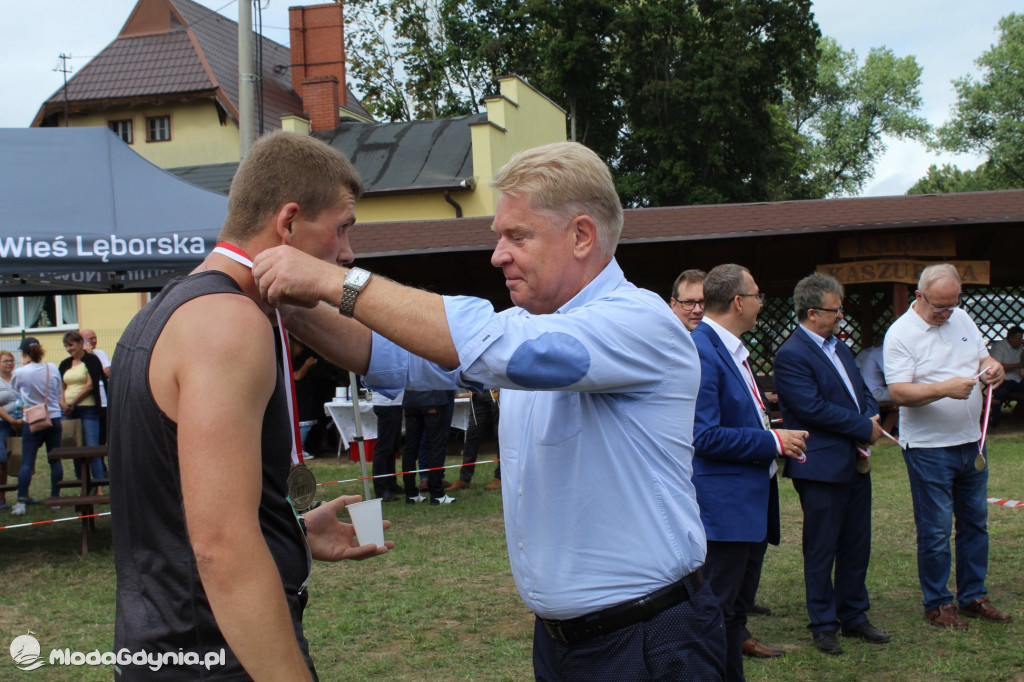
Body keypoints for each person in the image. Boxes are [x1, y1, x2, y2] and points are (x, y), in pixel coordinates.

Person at [253, 141, 726, 680]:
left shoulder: (638, 322)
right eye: (499, 236)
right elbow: (383, 353)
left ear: (581, 235)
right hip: (566, 642)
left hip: (649, 641)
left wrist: (332, 280)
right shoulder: (532, 328)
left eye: (516, 236)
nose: (498, 254)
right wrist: (283, 299)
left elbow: (504, 347)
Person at [107, 131, 393, 681]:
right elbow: (220, 547)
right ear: (287, 224)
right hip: (215, 653)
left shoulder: (166, 311)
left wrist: (288, 528)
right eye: (341, 228)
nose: (348, 252)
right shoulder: (229, 321)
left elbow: (174, 498)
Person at [690, 264, 805, 680]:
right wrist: (772, 442)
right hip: (724, 511)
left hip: (748, 504)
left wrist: (772, 434)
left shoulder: (731, 348)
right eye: (757, 295)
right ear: (739, 302)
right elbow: (704, 437)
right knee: (717, 611)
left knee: (735, 611)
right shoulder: (702, 349)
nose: (761, 303)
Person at [883, 263, 1012, 629]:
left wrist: (992, 366)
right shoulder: (901, 334)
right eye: (940, 306)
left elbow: (982, 355)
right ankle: (938, 604)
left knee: (975, 524)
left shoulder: (962, 318)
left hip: (971, 443)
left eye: (952, 305)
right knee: (936, 530)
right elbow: (898, 393)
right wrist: (944, 388)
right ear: (919, 295)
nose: (946, 313)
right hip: (928, 448)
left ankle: (973, 596)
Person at [772, 273, 890, 655]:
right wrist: (861, 427)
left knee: (857, 543)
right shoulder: (792, 354)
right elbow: (810, 409)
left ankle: (854, 615)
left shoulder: (838, 348)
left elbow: (862, 392)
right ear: (811, 313)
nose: (840, 316)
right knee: (822, 547)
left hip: (854, 460)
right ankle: (823, 624)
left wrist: (870, 417)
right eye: (835, 311)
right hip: (821, 466)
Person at [10, 338, 64, 515]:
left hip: (32, 419)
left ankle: (21, 502)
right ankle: (55, 498)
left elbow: (17, 391)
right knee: (55, 460)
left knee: (27, 461)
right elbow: (57, 391)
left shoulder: (21, 372)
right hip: (54, 417)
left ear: (25, 354)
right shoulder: (52, 368)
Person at [58, 331, 106, 479]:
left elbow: (90, 385)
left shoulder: (91, 360)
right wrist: (63, 404)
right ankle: (83, 484)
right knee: (74, 450)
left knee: (92, 449)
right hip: (68, 412)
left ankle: (99, 486)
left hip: (88, 410)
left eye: (71, 345)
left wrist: (72, 402)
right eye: (66, 346)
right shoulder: (65, 364)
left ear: (80, 343)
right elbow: (60, 387)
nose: (69, 349)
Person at [402, 389, 456, 505]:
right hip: (432, 398)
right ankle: (437, 494)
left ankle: (411, 493)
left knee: (410, 447)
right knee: (436, 445)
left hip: (411, 399)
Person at [448, 388, 501, 492]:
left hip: (497, 392)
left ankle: (500, 477)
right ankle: (464, 478)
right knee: (472, 435)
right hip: (477, 393)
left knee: (500, 435)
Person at [0, 349, 24, 511]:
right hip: (3, 424)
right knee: (2, 459)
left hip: (21, 423)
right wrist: (11, 420)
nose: (9, 364)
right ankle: (1, 497)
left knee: (22, 459)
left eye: (11, 361)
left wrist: (21, 420)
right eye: (6, 361)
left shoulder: (18, 378)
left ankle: (24, 496)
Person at [371, 388, 404, 502]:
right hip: (386, 403)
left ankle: (390, 483)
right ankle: (381, 489)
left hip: (395, 403)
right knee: (384, 447)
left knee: (392, 447)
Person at [987, 325, 1024, 425]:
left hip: (1018, 379)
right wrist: (1019, 364)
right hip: (1003, 379)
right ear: (1011, 338)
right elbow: (997, 366)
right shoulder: (999, 346)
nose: (1021, 341)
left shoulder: (1021, 348)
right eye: (1019, 339)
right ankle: (994, 420)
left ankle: (1018, 416)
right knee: (999, 394)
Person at [80, 328, 111, 444]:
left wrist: (91, 355)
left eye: (95, 338)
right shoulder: (79, 358)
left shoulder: (100, 353)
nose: (94, 341)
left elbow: (107, 372)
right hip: (87, 401)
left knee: (103, 434)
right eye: (91, 338)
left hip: (103, 400)